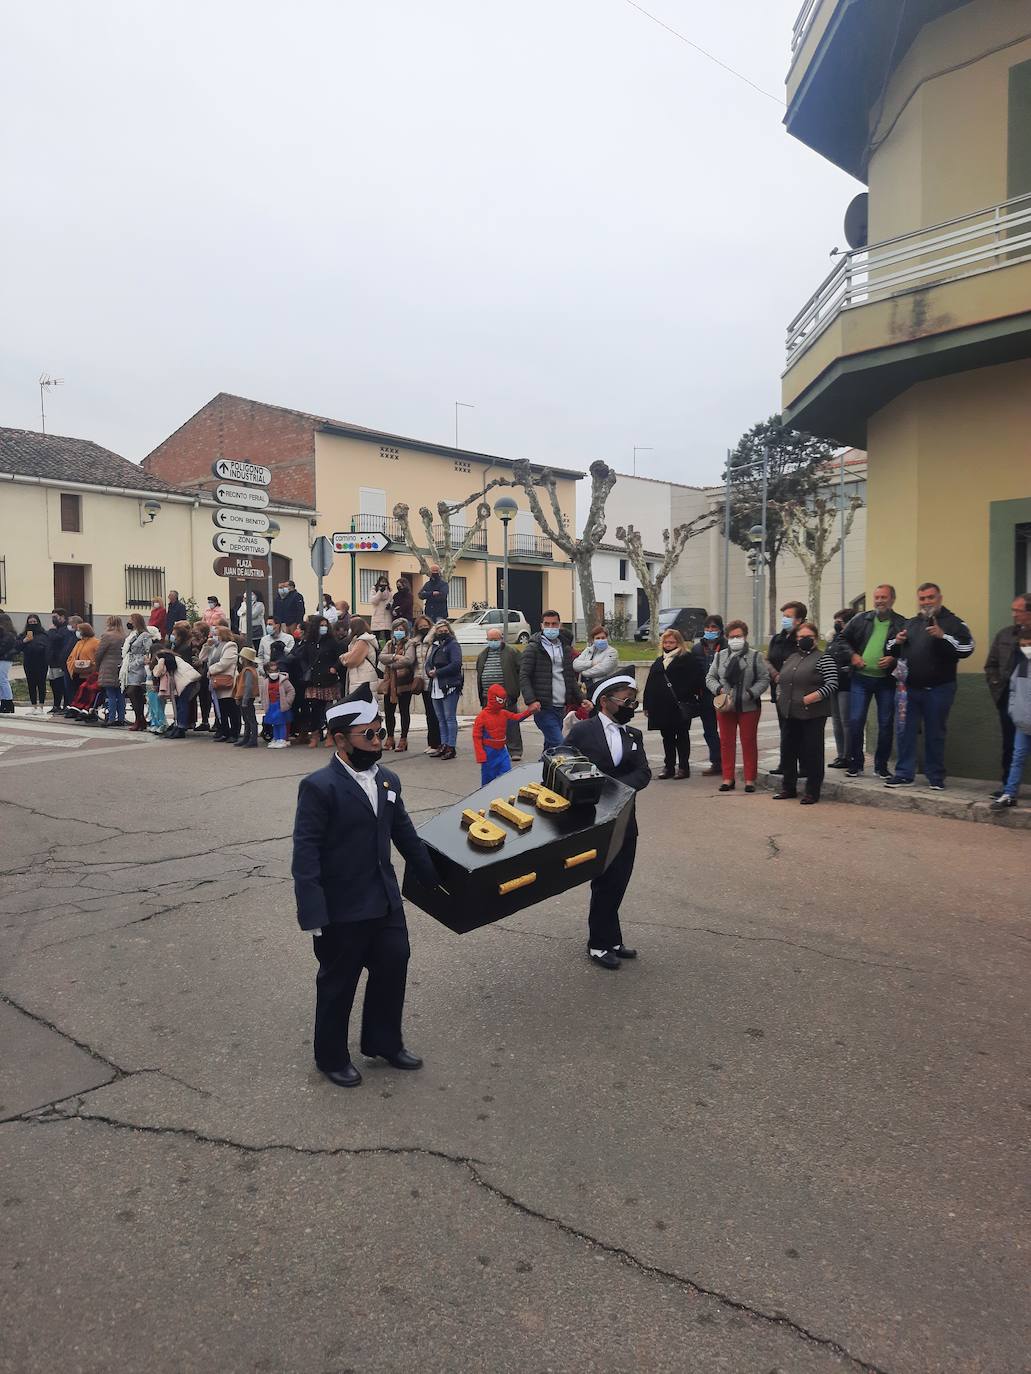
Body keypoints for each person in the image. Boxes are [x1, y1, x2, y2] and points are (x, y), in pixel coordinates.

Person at [291, 686, 441, 1087]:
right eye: (369, 735)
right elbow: (305, 853)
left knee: (393, 968)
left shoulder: (388, 780)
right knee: (338, 984)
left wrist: (436, 879)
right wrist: (312, 913)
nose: (378, 741)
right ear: (340, 741)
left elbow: (405, 835)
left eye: (380, 732)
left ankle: (384, 1042)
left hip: (385, 902)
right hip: (342, 907)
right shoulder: (319, 786)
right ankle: (331, 1057)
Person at [566, 675, 651, 969]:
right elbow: (562, 764)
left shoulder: (633, 735)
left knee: (619, 880)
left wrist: (609, 785)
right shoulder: (583, 732)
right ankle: (599, 944)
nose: (631, 706)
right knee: (603, 881)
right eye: (626, 700)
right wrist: (596, 788)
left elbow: (643, 774)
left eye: (633, 700)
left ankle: (612, 938)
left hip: (626, 820)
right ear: (605, 701)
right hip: (595, 819)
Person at [885, 582, 974, 790]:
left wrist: (943, 636)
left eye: (930, 597)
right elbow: (889, 648)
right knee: (904, 732)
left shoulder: (955, 623)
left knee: (935, 733)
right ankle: (904, 774)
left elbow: (967, 647)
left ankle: (935, 776)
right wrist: (896, 641)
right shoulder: (910, 623)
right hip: (908, 691)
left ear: (940, 598)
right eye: (922, 598)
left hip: (939, 689)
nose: (926, 602)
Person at [842, 584, 906, 779]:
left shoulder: (901, 623)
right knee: (855, 721)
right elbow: (841, 639)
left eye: (883, 597)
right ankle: (856, 763)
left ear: (892, 599)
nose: (879, 601)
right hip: (860, 679)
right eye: (876, 597)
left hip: (886, 681)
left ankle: (881, 766)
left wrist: (894, 659)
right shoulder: (861, 619)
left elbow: (909, 650)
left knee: (886, 723)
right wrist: (852, 655)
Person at [772, 621, 838, 805]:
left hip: (813, 713)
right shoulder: (792, 658)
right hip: (789, 713)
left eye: (808, 637)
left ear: (816, 639)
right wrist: (780, 698)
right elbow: (781, 680)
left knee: (812, 753)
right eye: (801, 637)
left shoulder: (824, 658)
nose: (804, 640)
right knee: (788, 751)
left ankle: (812, 791)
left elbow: (832, 683)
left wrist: (812, 697)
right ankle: (788, 787)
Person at [705, 620, 769, 792]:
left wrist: (750, 693)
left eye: (738, 636)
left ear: (745, 636)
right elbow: (710, 678)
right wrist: (718, 690)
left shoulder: (755, 656)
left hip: (748, 706)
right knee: (726, 742)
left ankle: (749, 779)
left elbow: (764, 679)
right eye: (732, 636)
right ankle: (728, 778)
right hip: (725, 705)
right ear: (727, 637)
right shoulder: (720, 656)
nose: (735, 639)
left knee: (748, 741)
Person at [984, 593, 1031, 799]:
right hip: (1010, 698)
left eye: (1018, 611)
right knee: (1010, 744)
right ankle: (1008, 788)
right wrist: (996, 687)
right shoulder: (1005, 635)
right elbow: (991, 664)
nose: (1014, 615)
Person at [642, 628, 705, 779]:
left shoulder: (687, 659)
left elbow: (696, 680)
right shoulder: (659, 661)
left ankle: (684, 767)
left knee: (682, 736)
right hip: (662, 706)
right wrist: (646, 705)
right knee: (667, 737)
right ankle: (669, 766)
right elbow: (650, 684)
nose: (668, 644)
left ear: (679, 643)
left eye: (672, 642)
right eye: (666, 641)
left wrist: (684, 694)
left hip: (680, 704)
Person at [520, 610, 579, 754]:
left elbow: (569, 677)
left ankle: (544, 771)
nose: (551, 627)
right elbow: (524, 675)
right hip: (543, 707)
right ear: (541, 625)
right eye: (547, 624)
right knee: (560, 744)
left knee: (551, 749)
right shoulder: (533, 648)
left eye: (554, 624)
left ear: (560, 625)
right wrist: (531, 700)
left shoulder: (565, 648)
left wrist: (581, 699)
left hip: (561, 706)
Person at [766, 600, 806, 775]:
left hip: (798, 692)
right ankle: (785, 764)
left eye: (788, 617)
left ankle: (804, 766)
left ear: (799, 620)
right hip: (780, 690)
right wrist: (775, 674)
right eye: (784, 616)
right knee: (785, 730)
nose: (785, 620)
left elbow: (806, 661)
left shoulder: (802, 639)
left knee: (800, 731)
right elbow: (767, 659)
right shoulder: (778, 638)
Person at [475, 625, 525, 762]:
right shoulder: (483, 655)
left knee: (511, 724)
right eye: (490, 639)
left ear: (502, 638)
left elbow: (522, 671)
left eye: (496, 639)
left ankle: (515, 750)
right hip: (488, 698)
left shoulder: (512, 652)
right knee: (490, 726)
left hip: (506, 697)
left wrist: (516, 690)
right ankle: (491, 750)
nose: (493, 642)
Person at [473, 684, 536, 784]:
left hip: (502, 751)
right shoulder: (482, 717)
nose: (502, 702)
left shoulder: (503, 713)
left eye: (503, 699)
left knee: (506, 776)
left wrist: (529, 711)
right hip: (489, 753)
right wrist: (480, 753)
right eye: (500, 700)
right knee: (488, 781)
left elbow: (516, 718)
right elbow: (476, 736)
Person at [297, 615, 342, 747]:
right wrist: (307, 669)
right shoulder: (309, 643)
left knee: (329, 708)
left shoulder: (332, 642)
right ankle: (315, 734)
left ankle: (330, 734)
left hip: (328, 679)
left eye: (325, 625)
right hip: (313, 680)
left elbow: (340, 658)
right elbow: (303, 658)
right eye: (321, 625)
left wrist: (334, 668)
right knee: (315, 709)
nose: (324, 628)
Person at [690, 615, 725, 776]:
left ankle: (727, 762)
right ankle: (716, 762)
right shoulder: (697, 648)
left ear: (720, 629)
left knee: (725, 730)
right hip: (704, 695)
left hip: (722, 694)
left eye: (714, 628)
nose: (710, 631)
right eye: (708, 628)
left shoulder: (726, 646)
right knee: (709, 731)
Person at [425, 619, 463, 760]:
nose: (442, 632)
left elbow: (456, 664)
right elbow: (428, 663)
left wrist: (438, 672)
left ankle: (451, 747)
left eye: (444, 630)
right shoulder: (435, 646)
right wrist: (429, 671)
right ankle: (443, 744)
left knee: (449, 717)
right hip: (436, 686)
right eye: (439, 630)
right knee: (440, 718)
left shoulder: (453, 645)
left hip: (449, 685)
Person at [378, 619, 417, 751]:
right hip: (390, 683)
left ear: (406, 631)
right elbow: (381, 657)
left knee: (404, 711)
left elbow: (408, 660)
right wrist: (395, 657)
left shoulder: (410, 644)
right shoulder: (389, 644)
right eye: (396, 629)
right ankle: (390, 738)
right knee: (389, 712)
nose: (398, 632)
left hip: (404, 683)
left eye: (401, 629)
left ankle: (403, 739)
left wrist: (391, 662)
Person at [825, 608, 855, 768]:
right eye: (835, 622)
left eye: (840, 622)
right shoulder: (834, 639)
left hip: (846, 684)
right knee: (836, 721)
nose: (836, 625)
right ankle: (840, 754)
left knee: (846, 721)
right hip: (833, 684)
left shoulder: (852, 639)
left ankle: (848, 756)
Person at [153, 648, 202, 739]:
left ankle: (181, 728)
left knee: (181, 705)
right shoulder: (176, 658)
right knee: (181, 704)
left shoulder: (162, 659)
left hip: (184, 681)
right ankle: (179, 726)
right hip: (190, 679)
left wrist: (156, 666)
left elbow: (158, 672)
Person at [411, 615, 442, 756]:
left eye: (425, 625)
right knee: (429, 714)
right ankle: (432, 743)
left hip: (434, 681)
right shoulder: (416, 643)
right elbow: (417, 663)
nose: (423, 628)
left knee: (437, 714)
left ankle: (440, 743)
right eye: (420, 626)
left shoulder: (434, 641)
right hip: (423, 682)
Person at [204, 624, 240, 742]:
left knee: (231, 708)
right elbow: (202, 658)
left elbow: (226, 662)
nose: (213, 636)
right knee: (221, 709)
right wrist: (206, 646)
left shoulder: (230, 645)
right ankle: (224, 732)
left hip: (227, 680)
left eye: (216, 634)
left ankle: (234, 733)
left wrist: (211, 670)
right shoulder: (214, 646)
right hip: (216, 682)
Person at [94, 616, 127, 727]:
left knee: (111, 694)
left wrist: (97, 665)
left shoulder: (107, 636)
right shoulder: (124, 636)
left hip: (108, 666)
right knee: (120, 694)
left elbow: (99, 653)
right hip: (121, 667)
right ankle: (121, 718)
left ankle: (111, 718)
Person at [121, 613, 153, 730]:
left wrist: (137, 662)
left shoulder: (145, 635)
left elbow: (148, 651)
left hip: (139, 668)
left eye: (131, 620)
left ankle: (139, 719)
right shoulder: (134, 635)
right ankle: (139, 719)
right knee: (135, 694)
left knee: (132, 691)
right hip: (131, 667)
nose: (130, 622)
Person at [45, 609, 76, 715]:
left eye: (55, 617)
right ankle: (56, 705)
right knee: (54, 684)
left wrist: (52, 631)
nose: (53, 619)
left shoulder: (65, 629)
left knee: (61, 684)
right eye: (52, 617)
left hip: (59, 662)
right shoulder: (56, 629)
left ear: (62, 617)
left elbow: (58, 640)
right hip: (52, 662)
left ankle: (66, 705)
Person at [17, 614, 49, 714]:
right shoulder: (23, 635)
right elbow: (17, 647)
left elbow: (47, 646)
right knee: (31, 684)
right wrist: (24, 641)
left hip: (41, 662)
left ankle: (41, 706)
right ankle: (33, 705)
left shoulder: (44, 634)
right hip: (28, 662)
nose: (32, 624)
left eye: (34, 622)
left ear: (38, 622)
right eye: (30, 622)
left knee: (41, 683)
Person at [260, 657, 296, 748]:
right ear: (267, 672)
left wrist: (287, 702)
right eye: (271, 671)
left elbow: (291, 691)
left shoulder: (283, 681)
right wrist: (264, 704)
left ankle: (282, 739)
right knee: (275, 723)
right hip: (271, 705)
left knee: (282, 722)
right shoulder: (265, 682)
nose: (274, 673)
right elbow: (263, 694)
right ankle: (276, 738)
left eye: (276, 670)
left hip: (281, 705)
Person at [339, 616, 380, 695]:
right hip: (364, 675)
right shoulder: (363, 640)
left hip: (362, 677)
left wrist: (342, 657)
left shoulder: (362, 641)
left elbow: (352, 660)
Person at [232, 646, 261, 748]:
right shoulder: (249, 670)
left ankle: (252, 739)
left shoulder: (248, 670)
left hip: (246, 697)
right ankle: (247, 738)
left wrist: (244, 700)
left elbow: (248, 686)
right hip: (246, 697)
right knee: (247, 719)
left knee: (250, 719)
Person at [369, 577, 394, 647]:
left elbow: (392, 600)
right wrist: (380, 592)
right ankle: (376, 649)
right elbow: (373, 601)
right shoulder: (374, 590)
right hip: (377, 615)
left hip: (386, 615)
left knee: (387, 635)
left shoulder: (389, 591)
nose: (383, 584)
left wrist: (390, 605)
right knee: (376, 635)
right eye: (382, 582)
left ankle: (389, 649)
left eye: (385, 582)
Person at [0, 613, 16, 714]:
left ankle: (8, 703)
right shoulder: (5, 634)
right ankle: (4, 702)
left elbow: (3, 647)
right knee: (1, 681)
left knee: (3, 680)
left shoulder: (8, 634)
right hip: (4, 658)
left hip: (5, 659)